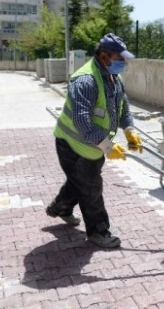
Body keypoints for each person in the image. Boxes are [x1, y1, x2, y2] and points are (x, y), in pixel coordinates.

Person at [46, 33, 141, 249]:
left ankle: (59, 207)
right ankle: (99, 232)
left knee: (80, 180)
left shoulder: (113, 77)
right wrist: (107, 146)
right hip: (73, 143)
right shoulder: (85, 80)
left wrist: (129, 129)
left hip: (93, 146)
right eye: (119, 58)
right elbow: (81, 121)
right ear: (103, 56)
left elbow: (123, 104)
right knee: (90, 187)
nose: (122, 63)